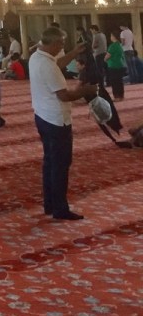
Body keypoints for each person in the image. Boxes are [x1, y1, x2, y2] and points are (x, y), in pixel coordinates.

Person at [29, 27, 98, 221]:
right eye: (61, 44)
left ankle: (50, 204)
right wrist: (87, 90)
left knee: (50, 162)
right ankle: (60, 208)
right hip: (56, 120)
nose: (63, 47)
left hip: (42, 116)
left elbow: (58, 63)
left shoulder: (37, 57)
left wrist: (74, 52)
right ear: (54, 43)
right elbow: (65, 95)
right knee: (60, 164)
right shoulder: (47, 66)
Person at [105, 31, 127, 101]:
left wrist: (105, 59)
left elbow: (107, 57)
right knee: (120, 81)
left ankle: (116, 96)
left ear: (114, 36)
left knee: (114, 82)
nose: (110, 37)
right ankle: (121, 96)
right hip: (120, 64)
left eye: (111, 35)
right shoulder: (120, 45)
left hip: (113, 65)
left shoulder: (112, 46)